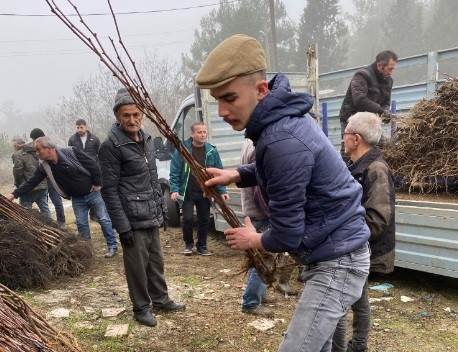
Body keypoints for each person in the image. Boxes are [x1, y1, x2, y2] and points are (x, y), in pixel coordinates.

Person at [197, 34, 370, 352]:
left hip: (337, 260)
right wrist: (236, 174)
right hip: (335, 250)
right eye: (216, 99)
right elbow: (280, 171)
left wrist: (252, 240)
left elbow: (288, 235)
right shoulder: (280, 122)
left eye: (230, 98)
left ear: (260, 90)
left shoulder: (280, 139)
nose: (221, 110)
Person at [98, 88, 186, 327]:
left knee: (156, 261)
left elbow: (153, 177)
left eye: (136, 114)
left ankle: (160, 299)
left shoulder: (146, 140)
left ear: (143, 115)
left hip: (150, 213)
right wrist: (122, 227)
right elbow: (109, 190)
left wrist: (161, 210)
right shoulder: (111, 146)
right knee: (137, 267)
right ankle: (141, 308)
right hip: (131, 219)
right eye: (126, 115)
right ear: (117, 116)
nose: (132, 119)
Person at [332, 112, 396, 352]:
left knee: (350, 299)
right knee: (358, 298)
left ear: (357, 138)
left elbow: (378, 219)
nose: (342, 139)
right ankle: (358, 346)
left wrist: (343, 238)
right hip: (357, 245)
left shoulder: (376, 169)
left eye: (345, 134)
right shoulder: (358, 165)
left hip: (363, 248)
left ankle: (356, 346)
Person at [4, 136, 118, 259]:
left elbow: (93, 164)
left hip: (93, 194)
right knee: (81, 223)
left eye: (38, 150)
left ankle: (112, 246)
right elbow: (32, 181)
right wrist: (13, 194)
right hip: (77, 198)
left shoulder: (71, 152)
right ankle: (88, 250)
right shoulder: (45, 166)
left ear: (49, 148)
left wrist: (96, 183)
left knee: (104, 219)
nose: (36, 154)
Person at [169, 122, 229, 256]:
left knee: (204, 219)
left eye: (204, 132)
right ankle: (188, 244)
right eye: (199, 132)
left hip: (204, 192)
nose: (202, 135)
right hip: (187, 191)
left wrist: (223, 191)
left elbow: (218, 172)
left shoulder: (212, 151)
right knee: (188, 219)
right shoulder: (182, 150)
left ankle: (202, 246)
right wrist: (174, 189)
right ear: (192, 134)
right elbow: (174, 172)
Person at [339, 50, 398, 158]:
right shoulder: (362, 75)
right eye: (389, 69)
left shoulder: (388, 81)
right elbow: (360, 100)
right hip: (351, 120)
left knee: (381, 150)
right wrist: (381, 111)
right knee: (349, 152)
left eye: (392, 69)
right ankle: (345, 173)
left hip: (370, 122)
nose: (391, 72)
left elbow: (386, 101)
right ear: (379, 65)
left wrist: (386, 112)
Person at [30, 128, 66, 227]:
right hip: (43, 180)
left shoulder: (47, 146)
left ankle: (60, 222)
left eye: (33, 139)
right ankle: (54, 222)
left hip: (50, 181)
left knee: (54, 202)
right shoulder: (36, 147)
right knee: (47, 204)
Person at [11, 137, 51, 218]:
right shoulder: (35, 150)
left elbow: (17, 172)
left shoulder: (17, 154)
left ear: (15, 145)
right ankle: (51, 227)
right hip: (42, 185)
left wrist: (19, 186)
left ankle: (30, 230)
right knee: (45, 211)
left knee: (26, 214)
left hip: (27, 189)